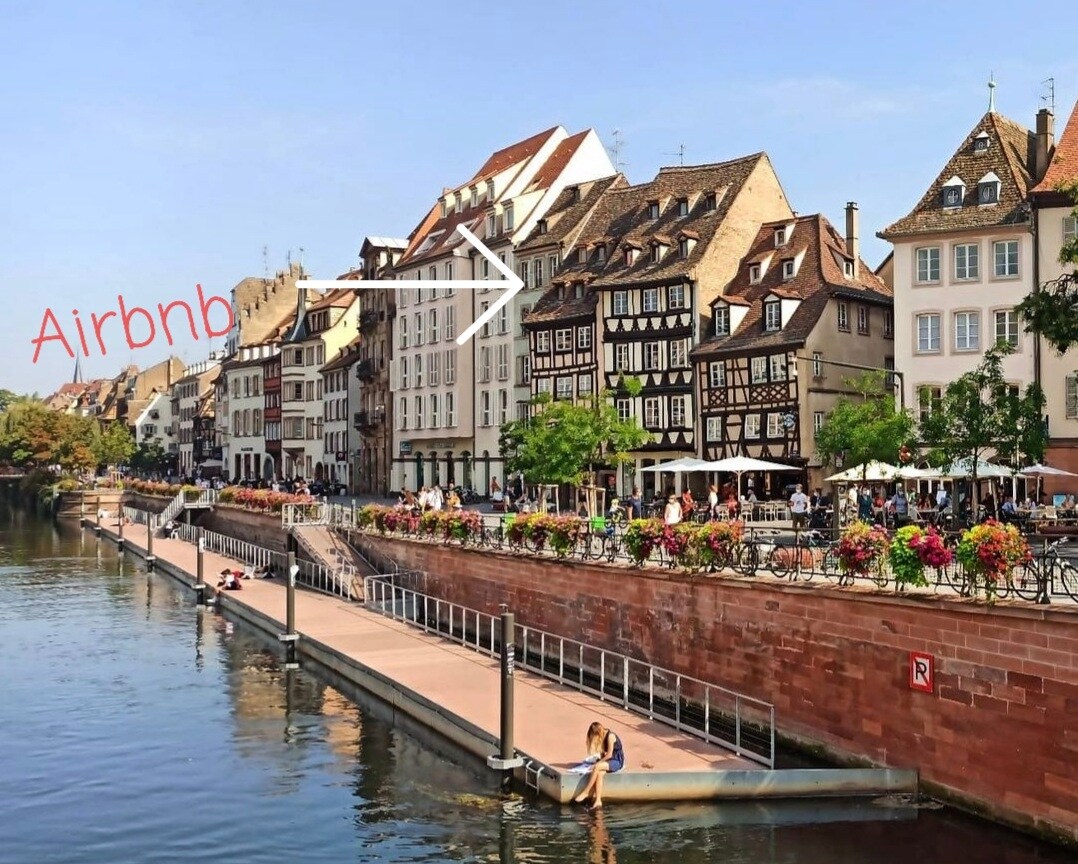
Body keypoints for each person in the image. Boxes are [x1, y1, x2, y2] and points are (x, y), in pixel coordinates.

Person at [572, 721, 625, 810]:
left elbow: (609, 755)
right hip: (609, 760)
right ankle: (598, 800)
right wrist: (597, 760)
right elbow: (603, 753)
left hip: (616, 760)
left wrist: (598, 763)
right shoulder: (603, 737)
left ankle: (586, 791)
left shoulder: (610, 736)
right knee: (599, 774)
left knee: (597, 767)